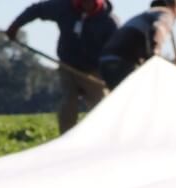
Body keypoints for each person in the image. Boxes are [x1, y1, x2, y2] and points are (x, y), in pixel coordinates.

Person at [7, 0, 119, 133]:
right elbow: (36, 10)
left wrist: (111, 76)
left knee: (101, 105)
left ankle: (106, 138)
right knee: (69, 101)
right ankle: (66, 138)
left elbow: (116, 51)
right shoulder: (65, 7)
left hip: (93, 71)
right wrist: (15, 26)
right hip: (68, 66)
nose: (86, 4)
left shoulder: (109, 22)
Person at [98, 0, 176, 91]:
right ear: (175, 8)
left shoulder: (146, 15)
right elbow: (157, 30)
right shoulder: (167, 14)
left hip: (105, 61)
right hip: (122, 62)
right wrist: (155, 60)